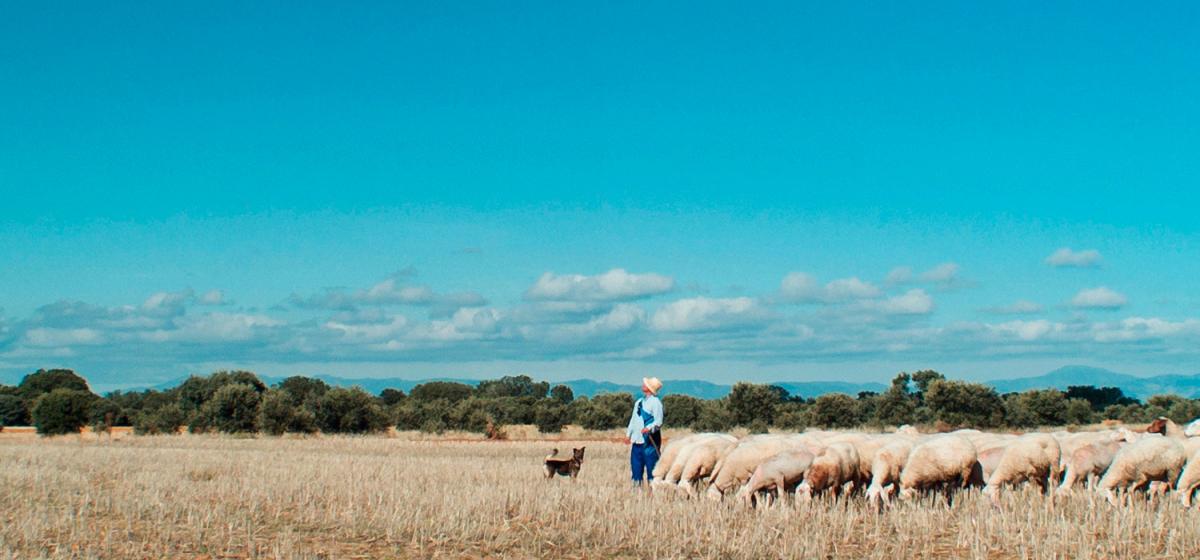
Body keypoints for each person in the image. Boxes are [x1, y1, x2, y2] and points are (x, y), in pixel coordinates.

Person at [626, 376, 664, 487]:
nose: (643, 385)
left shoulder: (656, 403)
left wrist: (649, 428)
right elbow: (633, 420)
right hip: (637, 442)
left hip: (650, 443)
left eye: (646, 384)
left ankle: (653, 494)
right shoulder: (638, 402)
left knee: (652, 471)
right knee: (636, 470)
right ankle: (637, 495)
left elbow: (659, 421)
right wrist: (628, 435)